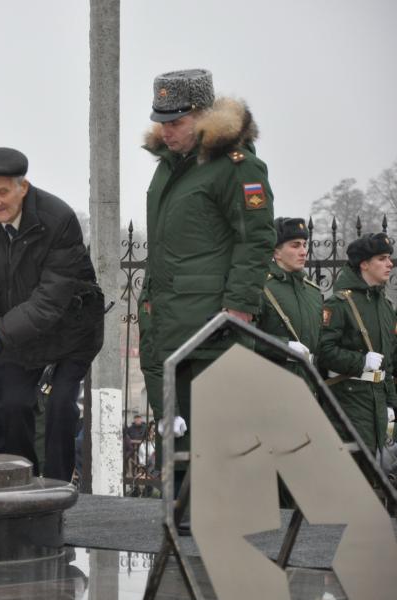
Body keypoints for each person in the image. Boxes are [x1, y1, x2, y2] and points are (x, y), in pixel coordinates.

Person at [140, 68, 275, 481]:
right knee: (177, 434)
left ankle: (213, 524)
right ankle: (183, 521)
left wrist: (239, 306)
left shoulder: (235, 167)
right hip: (169, 320)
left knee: (213, 437)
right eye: (162, 122)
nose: (166, 132)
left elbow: (256, 239)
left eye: (176, 122)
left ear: (202, 116)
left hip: (213, 323)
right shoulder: (169, 166)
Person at [0, 147, 104, 481]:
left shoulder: (58, 219)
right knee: (12, 407)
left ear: (23, 187)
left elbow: (50, 300)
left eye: (3, 192)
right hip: (18, 334)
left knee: (60, 407)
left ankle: (59, 488)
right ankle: (26, 483)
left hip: (71, 328)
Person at [317, 233, 397, 454]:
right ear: (364, 264)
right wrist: (360, 361)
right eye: (382, 258)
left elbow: (388, 361)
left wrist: (391, 403)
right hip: (348, 400)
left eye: (389, 258)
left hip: (377, 401)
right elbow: (323, 350)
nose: (390, 264)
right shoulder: (340, 303)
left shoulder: (385, 307)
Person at [255, 217, 323, 381]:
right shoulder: (261, 288)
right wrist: (283, 347)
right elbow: (244, 337)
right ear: (276, 251)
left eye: (304, 245)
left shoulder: (313, 292)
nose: (303, 251)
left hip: (309, 384)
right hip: (273, 383)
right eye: (295, 245)